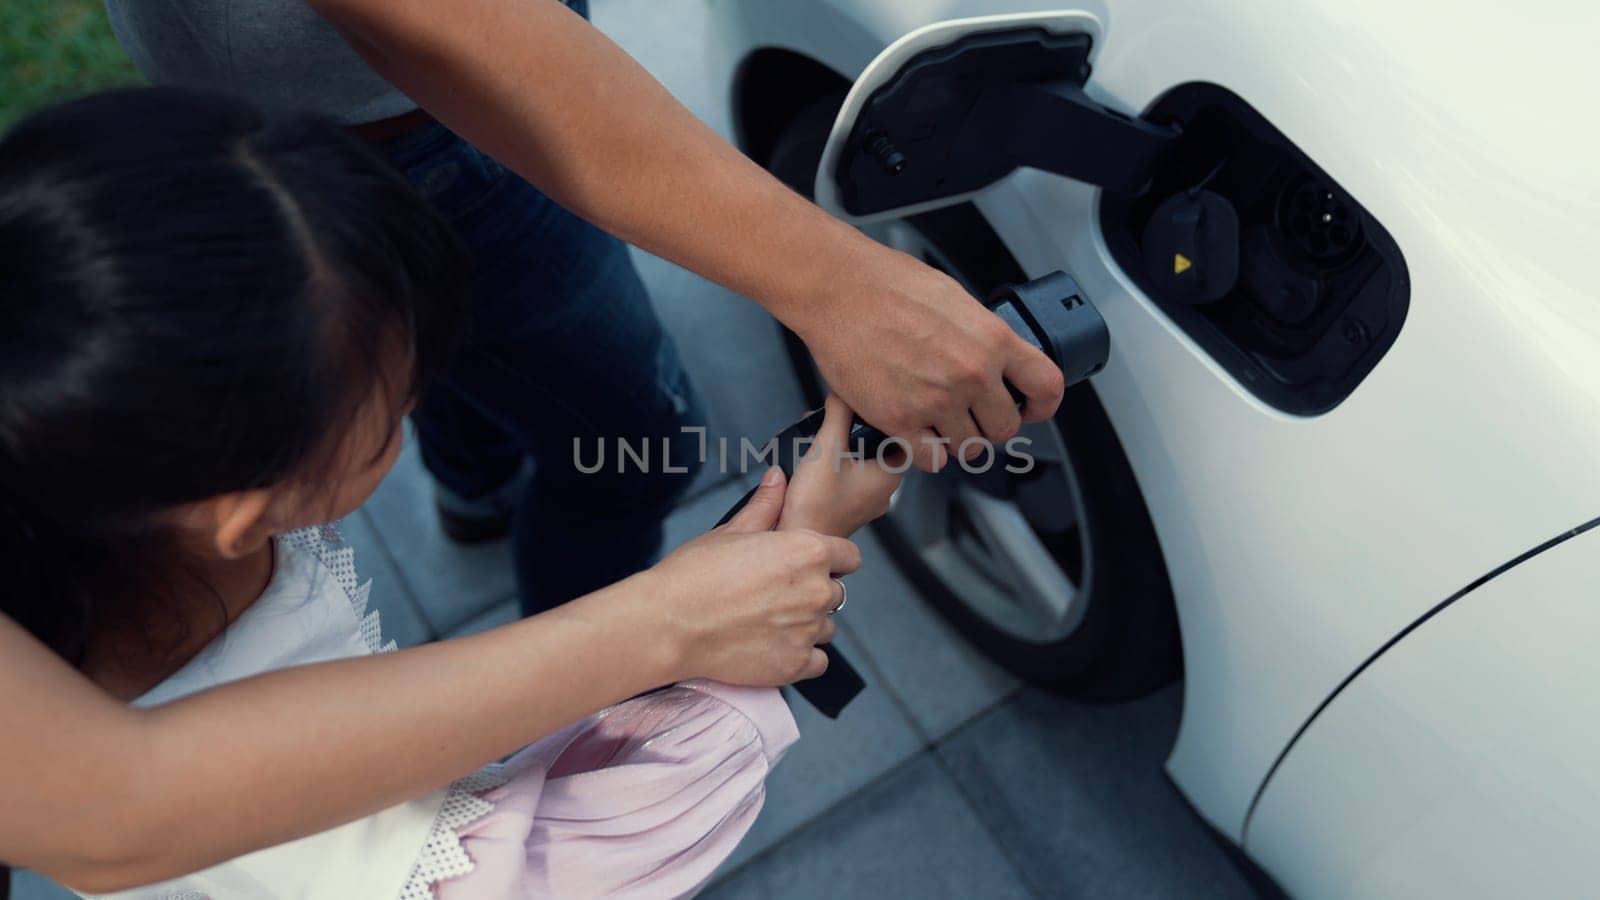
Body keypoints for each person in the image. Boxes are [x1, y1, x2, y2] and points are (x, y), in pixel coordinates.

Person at [0, 89, 900, 896]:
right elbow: (599, 845)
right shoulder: (328, 857)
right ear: (238, 512)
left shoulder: (95, 506)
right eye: (397, 411)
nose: (424, 403)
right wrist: (784, 554)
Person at [103, 0, 1067, 617]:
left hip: (295, 111)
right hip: (434, 124)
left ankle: (474, 486)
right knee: (634, 452)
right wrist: (842, 286)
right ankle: (589, 723)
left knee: (441, 343)